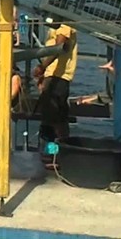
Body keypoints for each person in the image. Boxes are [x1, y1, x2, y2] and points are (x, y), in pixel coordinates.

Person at [34, 17, 78, 162]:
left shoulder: (65, 25)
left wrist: (42, 66)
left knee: (57, 120)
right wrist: (44, 76)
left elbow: (58, 47)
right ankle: (50, 152)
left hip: (59, 77)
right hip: (51, 76)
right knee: (49, 117)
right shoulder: (55, 26)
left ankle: (60, 154)